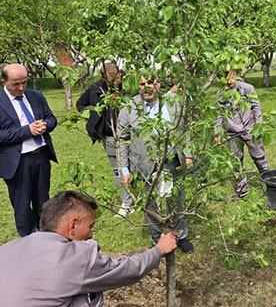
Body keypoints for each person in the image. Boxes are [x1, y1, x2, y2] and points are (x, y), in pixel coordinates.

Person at [0, 190, 178, 306]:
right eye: (90, 226)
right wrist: (159, 250)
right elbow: (128, 270)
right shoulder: (74, 259)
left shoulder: (10, 248)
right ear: (73, 225)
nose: (91, 235)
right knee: (88, 295)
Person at [117, 76, 194, 253]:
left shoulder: (174, 103)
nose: (146, 87)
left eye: (150, 83)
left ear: (158, 84)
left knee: (177, 199)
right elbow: (121, 140)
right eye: (142, 84)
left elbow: (185, 130)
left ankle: (180, 236)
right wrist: (124, 169)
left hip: (173, 160)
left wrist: (188, 154)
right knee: (149, 202)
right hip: (144, 164)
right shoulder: (130, 108)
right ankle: (156, 238)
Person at [0, 63, 58, 236]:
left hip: (41, 156)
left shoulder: (36, 96)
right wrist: (27, 131)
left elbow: (51, 118)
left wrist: (46, 125)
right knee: (22, 206)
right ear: (4, 82)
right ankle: (28, 241)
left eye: (24, 82)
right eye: (16, 84)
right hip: (17, 162)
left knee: (44, 202)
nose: (21, 87)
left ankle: (47, 238)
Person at [76, 63, 133, 216]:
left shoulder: (128, 87)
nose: (116, 81)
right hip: (110, 136)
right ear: (104, 77)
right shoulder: (96, 88)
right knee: (118, 169)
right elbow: (80, 104)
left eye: (117, 77)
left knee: (136, 165)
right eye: (112, 79)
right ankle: (127, 203)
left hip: (132, 134)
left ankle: (142, 196)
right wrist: (93, 119)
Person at [215, 70, 270, 197]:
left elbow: (256, 107)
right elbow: (220, 114)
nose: (228, 80)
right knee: (236, 162)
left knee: (260, 159)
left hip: (250, 130)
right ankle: (242, 188)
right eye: (225, 77)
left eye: (231, 76)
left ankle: (269, 184)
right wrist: (217, 131)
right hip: (232, 133)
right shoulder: (221, 93)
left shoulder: (247, 88)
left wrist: (258, 126)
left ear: (235, 75)